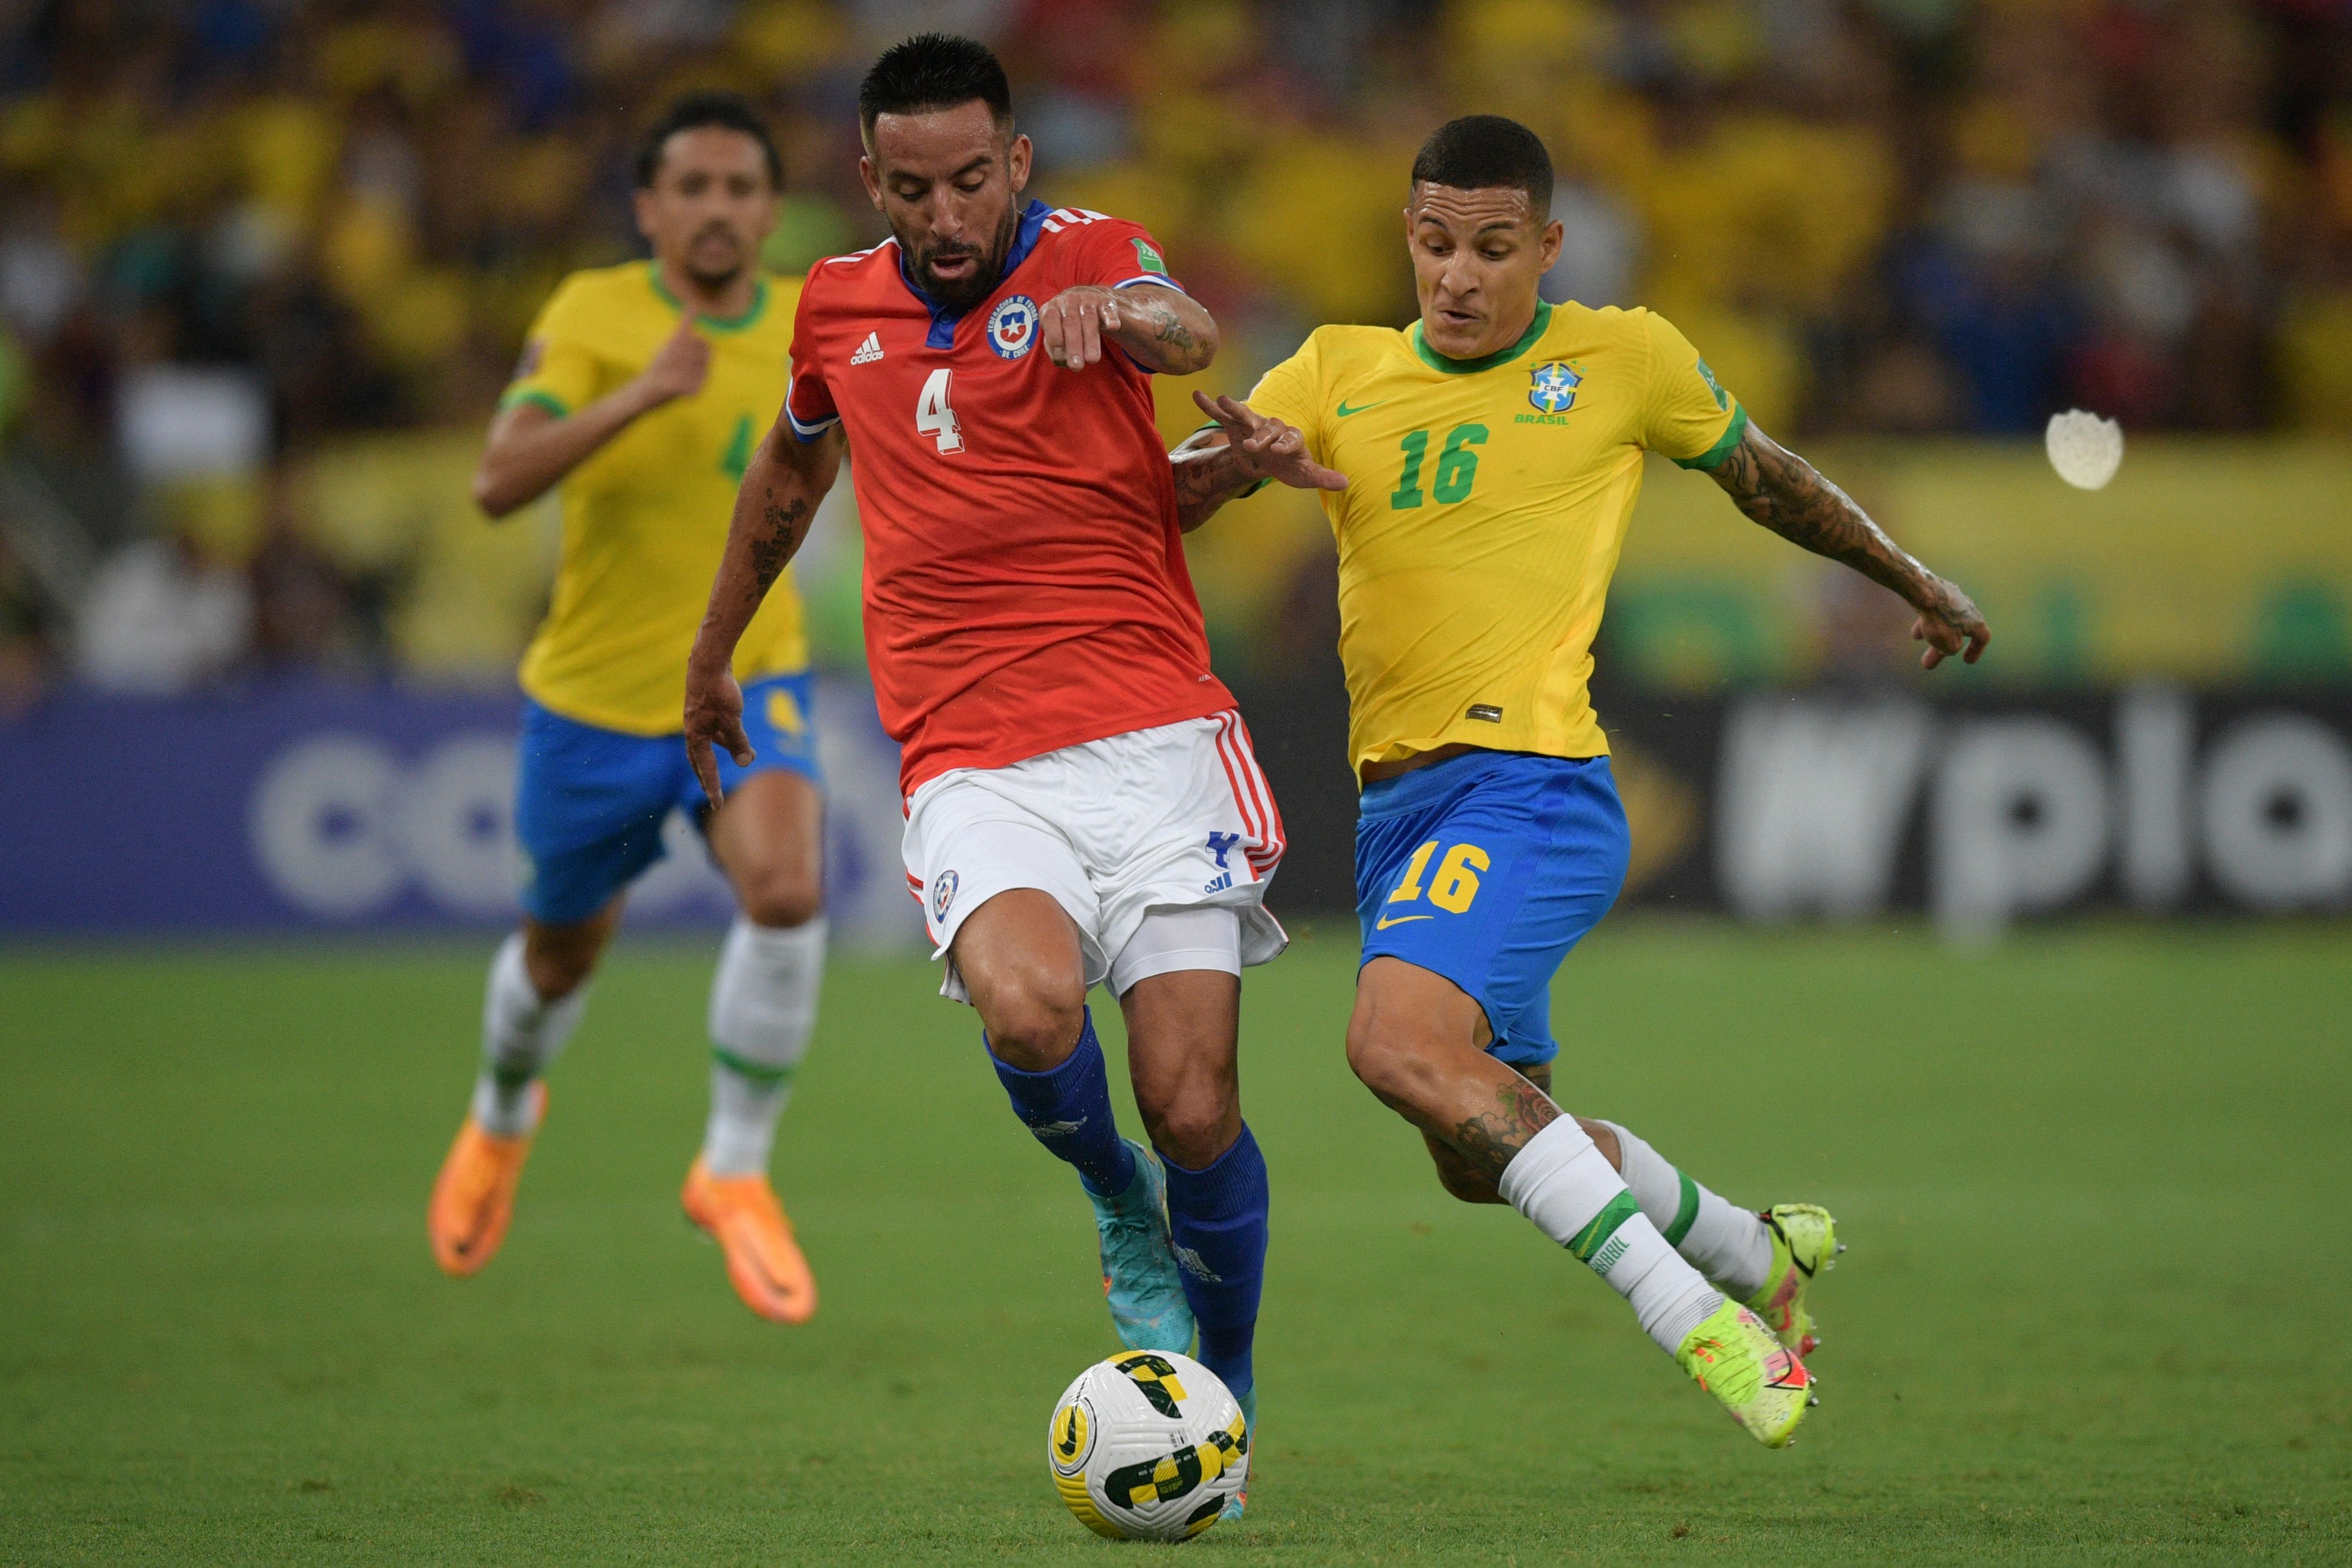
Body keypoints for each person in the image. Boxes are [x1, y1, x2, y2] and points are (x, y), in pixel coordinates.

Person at [1170, 115, 1993, 1448]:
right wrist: (1222, 471)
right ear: (1407, 239)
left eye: (1493, 248)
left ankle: (1704, 1327)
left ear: (1545, 247)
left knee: (1391, 1043)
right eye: (1437, 244)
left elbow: (1767, 481)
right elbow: (1177, 493)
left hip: (1531, 787)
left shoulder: (1622, 355)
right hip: (1401, 813)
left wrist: (1913, 579)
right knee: (1479, 1147)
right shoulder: (1336, 370)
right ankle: (1753, 1247)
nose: (1459, 276)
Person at [683, 35, 1278, 1514]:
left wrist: (1116, 311)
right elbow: (789, 473)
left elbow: (1182, 328)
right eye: (913, 188)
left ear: (1016, 163)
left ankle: (1224, 1396)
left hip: (1153, 732)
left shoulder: (1088, 249)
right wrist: (712, 650)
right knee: (1025, 1006)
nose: (946, 215)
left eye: (971, 180)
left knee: (1193, 1103)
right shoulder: (835, 306)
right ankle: (1116, 1212)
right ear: (869, 181)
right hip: (969, 748)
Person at [427, 93, 827, 1327]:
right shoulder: (594, 315)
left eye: (739, 188)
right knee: (561, 956)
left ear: (769, 206)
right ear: (650, 206)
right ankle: (501, 1118)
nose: (717, 209)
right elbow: (498, 481)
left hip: (756, 676)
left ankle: (734, 1167)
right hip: (597, 701)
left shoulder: (817, 321)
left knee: (787, 890)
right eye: (691, 188)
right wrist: (638, 396)